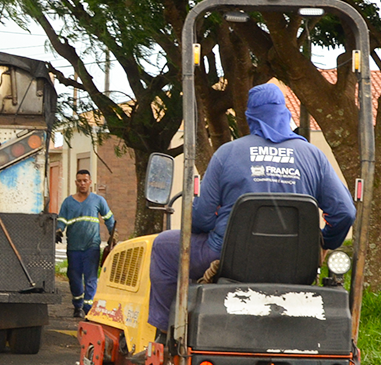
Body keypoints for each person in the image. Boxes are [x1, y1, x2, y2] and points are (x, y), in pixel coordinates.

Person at [148, 82, 356, 335]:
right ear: (284, 113)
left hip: (228, 259)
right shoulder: (314, 156)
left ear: (250, 118)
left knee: (163, 246)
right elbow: (345, 212)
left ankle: (166, 333)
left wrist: (211, 226)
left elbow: (201, 217)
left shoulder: (228, 153)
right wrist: (321, 244)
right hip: (296, 264)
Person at [56, 169, 115, 318]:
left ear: (90, 182)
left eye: (85, 180)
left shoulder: (98, 200)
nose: (82, 183)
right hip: (74, 247)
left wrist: (113, 236)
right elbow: (62, 219)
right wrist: (58, 230)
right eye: (79, 181)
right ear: (76, 182)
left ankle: (88, 307)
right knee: (74, 277)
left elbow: (109, 218)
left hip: (92, 246)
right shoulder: (68, 202)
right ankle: (77, 305)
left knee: (91, 278)